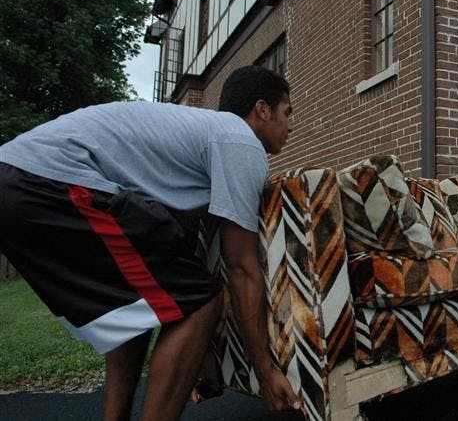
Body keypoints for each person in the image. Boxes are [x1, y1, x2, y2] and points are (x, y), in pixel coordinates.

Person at [0, 65, 302, 420]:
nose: (290, 126)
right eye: (287, 113)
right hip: (47, 181)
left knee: (139, 310)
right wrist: (265, 371)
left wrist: (200, 349)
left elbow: (179, 255)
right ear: (262, 110)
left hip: (17, 178)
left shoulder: (195, 141)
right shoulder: (238, 140)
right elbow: (241, 268)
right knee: (202, 302)